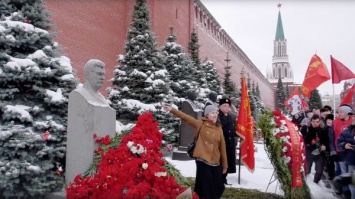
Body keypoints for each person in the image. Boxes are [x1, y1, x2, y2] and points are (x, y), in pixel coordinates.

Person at [162, 104, 227, 199]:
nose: (215, 115)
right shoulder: (200, 124)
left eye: (216, 113)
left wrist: (225, 164)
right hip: (202, 159)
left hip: (215, 161)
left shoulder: (219, 128)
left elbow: (222, 147)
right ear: (207, 115)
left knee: (219, 186)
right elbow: (186, 118)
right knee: (205, 185)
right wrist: (172, 110)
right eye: (213, 113)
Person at [302, 114, 329, 184]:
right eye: (313, 121)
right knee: (307, 169)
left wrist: (325, 146)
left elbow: (327, 141)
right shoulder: (306, 129)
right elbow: (303, 140)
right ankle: (307, 184)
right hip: (309, 152)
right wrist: (310, 143)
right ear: (311, 122)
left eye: (317, 122)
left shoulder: (324, 130)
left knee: (319, 171)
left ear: (320, 122)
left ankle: (315, 183)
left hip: (320, 153)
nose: (315, 123)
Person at [218, 98, 237, 185]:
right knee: (221, 161)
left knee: (228, 161)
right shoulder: (217, 116)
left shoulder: (230, 117)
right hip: (222, 143)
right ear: (220, 106)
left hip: (230, 143)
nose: (226, 108)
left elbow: (233, 129)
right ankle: (219, 179)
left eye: (228, 106)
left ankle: (224, 178)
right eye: (224, 106)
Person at [337, 115, 355, 199]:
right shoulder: (346, 131)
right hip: (352, 160)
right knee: (353, 186)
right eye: (354, 117)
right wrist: (344, 145)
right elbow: (339, 143)